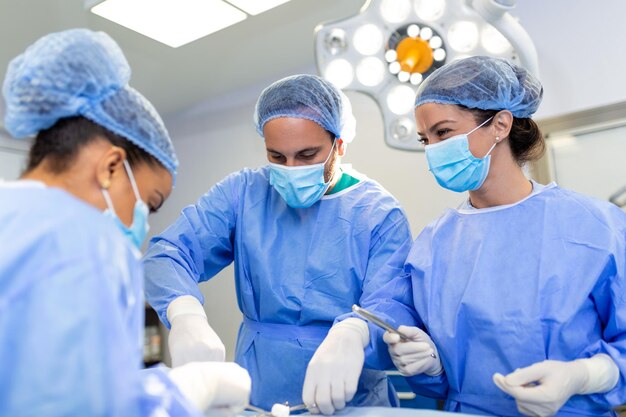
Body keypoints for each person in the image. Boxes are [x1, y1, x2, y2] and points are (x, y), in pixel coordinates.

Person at [0, 28, 250, 417]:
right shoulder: (86, 243)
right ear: (112, 166)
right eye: (149, 204)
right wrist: (184, 393)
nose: (143, 226)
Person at [143, 74, 420, 414]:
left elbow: (392, 302)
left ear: (340, 144)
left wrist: (356, 331)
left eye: (307, 155)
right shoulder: (244, 193)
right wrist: (185, 314)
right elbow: (168, 253)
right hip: (260, 394)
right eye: (277, 157)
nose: (291, 169)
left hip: (352, 399)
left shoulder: (378, 213)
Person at [383, 55, 626, 416]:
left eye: (443, 132)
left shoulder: (597, 227)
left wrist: (584, 375)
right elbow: (442, 377)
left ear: (500, 124)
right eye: (425, 139)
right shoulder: (434, 243)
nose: (433, 149)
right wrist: (430, 365)